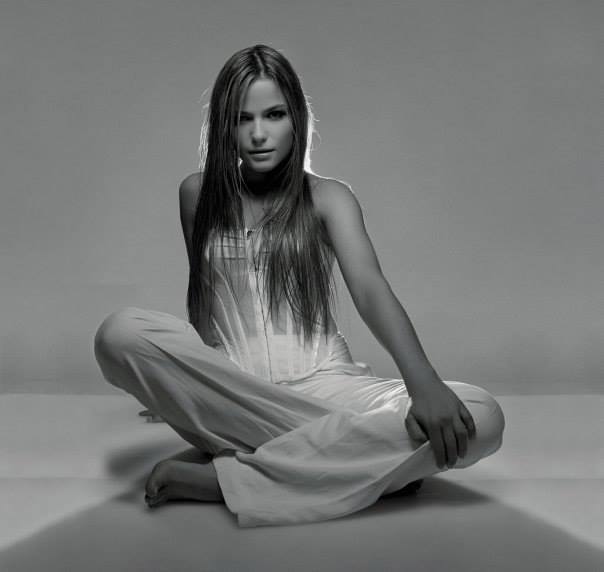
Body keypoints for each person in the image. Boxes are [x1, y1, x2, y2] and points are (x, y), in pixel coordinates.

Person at [93, 44, 505, 528]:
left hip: (326, 386)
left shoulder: (329, 198)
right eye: (242, 119)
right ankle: (364, 464)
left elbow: (370, 290)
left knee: (480, 415)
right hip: (236, 391)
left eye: (274, 115)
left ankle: (228, 477)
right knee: (118, 332)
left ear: (297, 118)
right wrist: (184, 383)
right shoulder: (196, 193)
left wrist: (425, 385)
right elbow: (203, 297)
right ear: (223, 126)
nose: (258, 134)